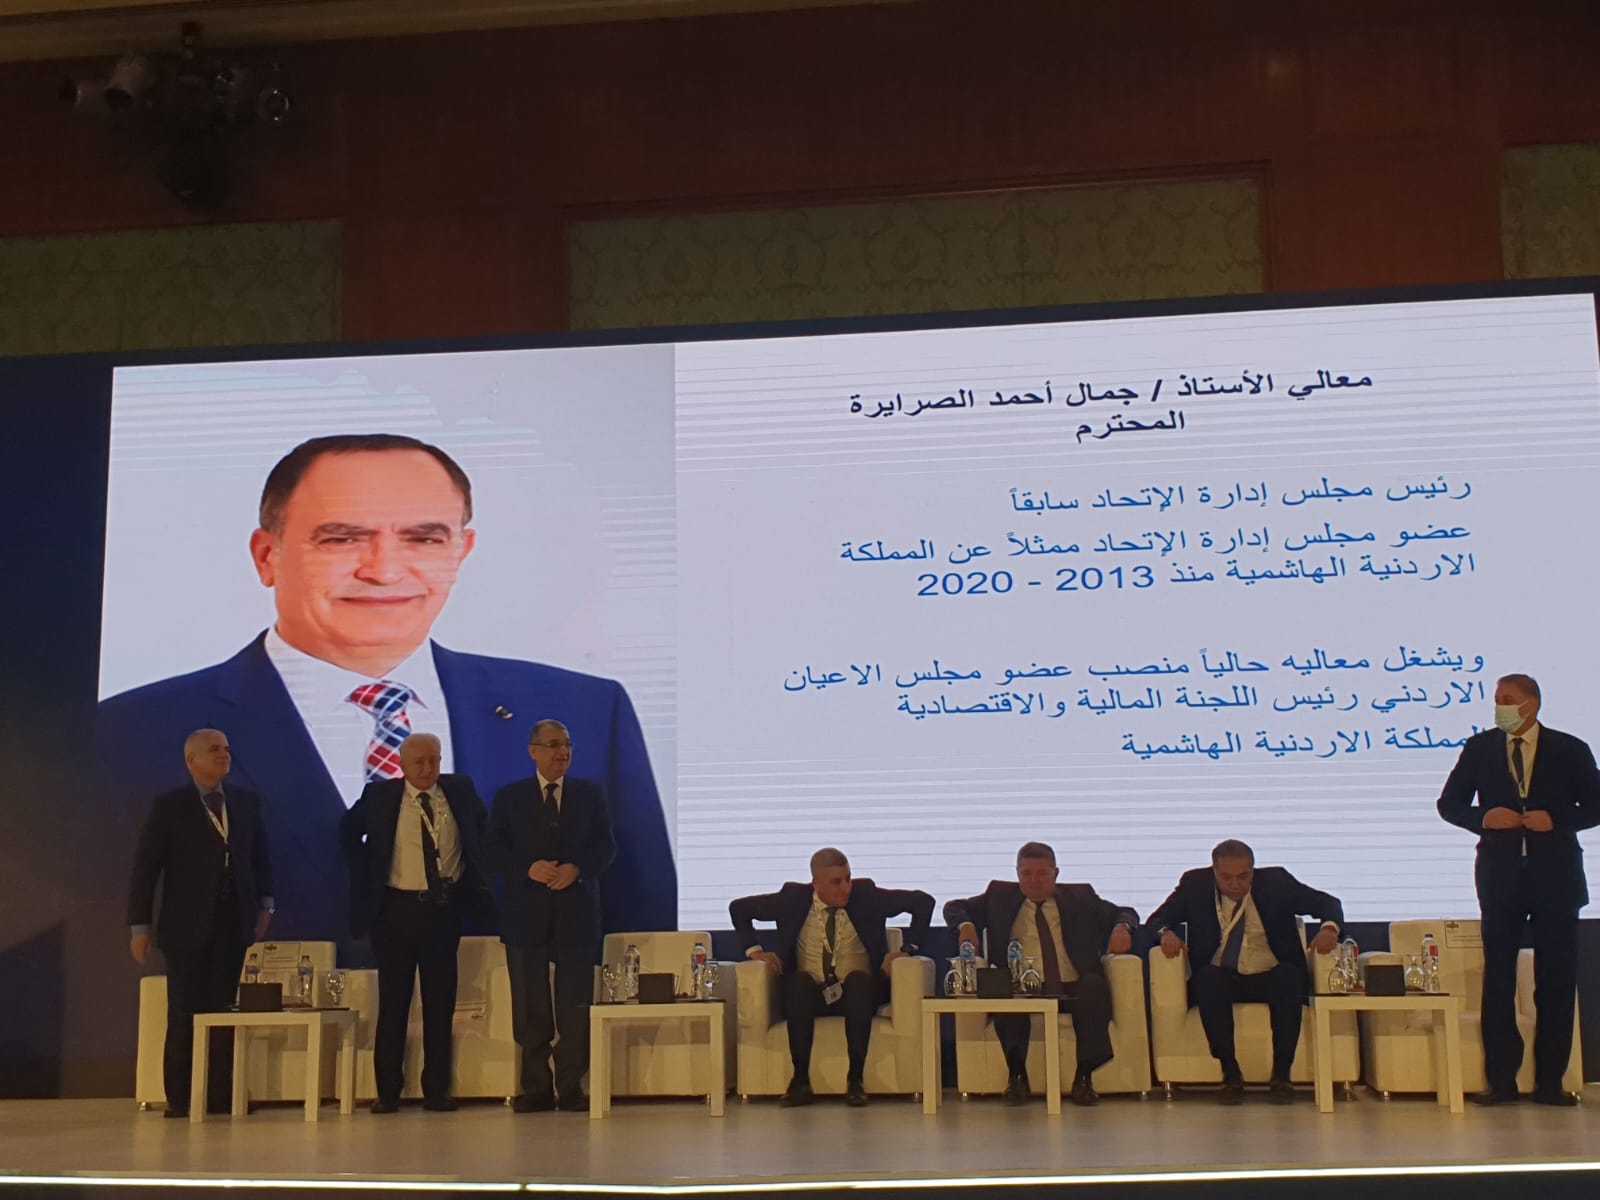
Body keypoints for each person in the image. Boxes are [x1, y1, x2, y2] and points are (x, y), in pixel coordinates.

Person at [97, 433, 673, 944]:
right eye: (342, 539)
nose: (384, 570)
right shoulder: (130, 734)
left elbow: (643, 928)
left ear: (461, 552)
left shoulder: (586, 713)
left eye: (424, 539)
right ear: (267, 556)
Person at [1437, 672, 1600, 1106]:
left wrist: (1557, 819)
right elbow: (1449, 804)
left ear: (1532, 704)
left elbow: (1596, 804)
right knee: (1499, 979)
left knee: (1556, 981)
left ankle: (1550, 1083)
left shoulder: (1569, 749)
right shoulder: (1480, 748)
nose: (1500, 708)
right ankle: (1501, 1082)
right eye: (1497, 700)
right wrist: (1483, 818)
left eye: (1508, 699)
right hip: (1501, 877)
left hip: (1557, 880)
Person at [340, 731, 495, 1112]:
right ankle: (388, 1091)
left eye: (433, 761)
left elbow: (483, 832)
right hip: (395, 911)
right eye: (419, 763)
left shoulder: (460, 791)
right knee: (394, 1002)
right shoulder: (380, 796)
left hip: (442, 910)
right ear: (402, 765)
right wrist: (368, 873)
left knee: (440, 1003)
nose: (427, 769)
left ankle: (437, 1090)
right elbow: (347, 832)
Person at [127, 729, 274, 1118]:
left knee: (225, 1010)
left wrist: (266, 904)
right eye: (214, 750)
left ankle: (221, 1095)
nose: (224, 754)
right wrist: (139, 926)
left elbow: (260, 856)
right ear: (192, 761)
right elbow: (145, 869)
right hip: (185, 926)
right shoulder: (170, 806)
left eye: (226, 748)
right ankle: (181, 1097)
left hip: (233, 922)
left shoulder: (244, 802)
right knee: (184, 1012)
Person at [730, 848, 933, 1108]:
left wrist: (906, 950)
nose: (846, 888)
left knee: (859, 981)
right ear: (816, 884)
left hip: (858, 995)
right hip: (811, 995)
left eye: (848, 878)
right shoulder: (792, 898)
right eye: (836, 882)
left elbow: (923, 902)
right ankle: (800, 1081)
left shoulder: (866, 895)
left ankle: (856, 1080)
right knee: (798, 982)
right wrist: (755, 952)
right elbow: (739, 909)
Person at [1146, 839, 1342, 1104]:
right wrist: (1165, 934)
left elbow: (1329, 904)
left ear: (1253, 870)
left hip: (1269, 973)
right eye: (1226, 878)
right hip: (1223, 976)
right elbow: (1157, 919)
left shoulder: (1277, 883)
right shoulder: (1195, 885)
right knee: (1206, 979)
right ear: (1214, 871)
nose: (1235, 884)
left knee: (1289, 977)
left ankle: (1282, 1075)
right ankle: (1230, 1073)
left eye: (1243, 876)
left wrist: (1329, 929)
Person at [944, 841, 1138, 1106]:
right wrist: (966, 926)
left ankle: (1084, 1077)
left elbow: (1125, 912)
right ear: (1017, 873)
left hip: (1072, 984)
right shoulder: (999, 895)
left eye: (1042, 874)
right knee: (1004, 993)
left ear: (1056, 874)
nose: (1034, 881)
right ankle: (1017, 1077)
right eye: (1026, 874)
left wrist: (1122, 928)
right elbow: (953, 907)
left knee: (1093, 986)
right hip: (1022, 985)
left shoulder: (1081, 896)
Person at [487, 719, 616, 1113]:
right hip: (525, 914)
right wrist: (527, 869)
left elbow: (605, 847)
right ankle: (536, 1087)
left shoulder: (589, 794)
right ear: (534, 751)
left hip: (576, 913)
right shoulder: (510, 797)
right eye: (554, 745)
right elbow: (493, 850)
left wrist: (578, 869)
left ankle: (571, 1086)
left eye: (568, 745)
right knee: (530, 1005)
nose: (563, 752)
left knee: (575, 1005)